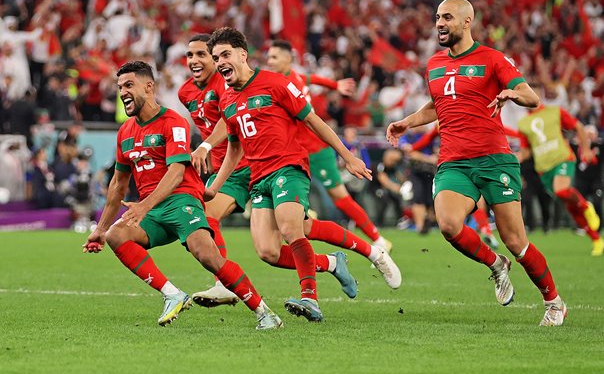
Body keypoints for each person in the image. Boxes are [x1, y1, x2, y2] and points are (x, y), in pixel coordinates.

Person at [182, 34, 401, 307]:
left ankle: (310, 298)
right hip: (258, 177)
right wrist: (214, 186)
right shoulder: (225, 98)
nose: (220, 62)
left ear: (243, 54)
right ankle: (352, 256)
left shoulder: (276, 83)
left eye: (224, 55)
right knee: (269, 251)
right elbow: (234, 147)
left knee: (292, 227)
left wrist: (346, 155)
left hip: (289, 165)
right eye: (216, 58)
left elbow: (313, 120)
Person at [386, 0, 567, 326]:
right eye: (438, 17)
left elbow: (532, 96)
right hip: (454, 161)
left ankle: (554, 302)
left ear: (467, 22)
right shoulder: (434, 64)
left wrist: (512, 94)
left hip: (495, 160)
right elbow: (436, 104)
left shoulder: (492, 59)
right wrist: (407, 122)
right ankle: (496, 265)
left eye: (448, 18)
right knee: (449, 225)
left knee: (516, 241)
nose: (440, 23)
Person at [82, 61, 282, 330]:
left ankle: (265, 312)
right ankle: (173, 294)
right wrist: (101, 228)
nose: (123, 92)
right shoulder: (125, 132)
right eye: (120, 87)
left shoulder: (173, 122)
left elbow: (177, 172)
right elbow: (118, 184)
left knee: (208, 257)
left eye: (129, 85)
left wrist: (144, 206)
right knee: (117, 234)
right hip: (152, 211)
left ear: (149, 87)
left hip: (181, 200)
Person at [266, 40, 394, 253]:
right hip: (299, 151)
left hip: (316, 150)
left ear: (288, 59)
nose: (269, 62)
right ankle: (301, 218)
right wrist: (334, 85)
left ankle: (378, 240)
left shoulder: (290, 84)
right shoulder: (294, 77)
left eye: (274, 57)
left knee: (341, 199)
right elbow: (311, 78)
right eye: (269, 57)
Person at [516, 85, 604, 256]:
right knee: (570, 206)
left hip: (563, 159)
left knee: (562, 190)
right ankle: (596, 239)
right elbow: (527, 151)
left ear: (539, 95)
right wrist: (515, 157)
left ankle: (587, 206)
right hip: (544, 169)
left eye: (534, 92)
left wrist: (585, 149)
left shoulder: (555, 111)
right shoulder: (523, 124)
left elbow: (578, 127)